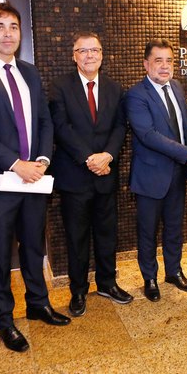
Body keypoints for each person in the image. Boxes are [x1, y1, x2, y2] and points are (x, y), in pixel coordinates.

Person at [0, 1, 70, 353]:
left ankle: (38, 304)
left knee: (34, 246)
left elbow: (44, 121)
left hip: (35, 177)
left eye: (14, 27)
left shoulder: (30, 72)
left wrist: (43, 159)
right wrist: (16, 163)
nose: (8, 34)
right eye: (0, 27)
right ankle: (4, 320)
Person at [49, 31, 133, 316]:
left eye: (94, 50)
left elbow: (120, 126)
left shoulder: (114, 88)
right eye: (83, 51)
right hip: (74, 177)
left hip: (106, 174)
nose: (89, 55)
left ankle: (107, 284)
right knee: (77, 238)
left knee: (107, 234)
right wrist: (89, 158)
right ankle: (78, 290)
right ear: (74, 56)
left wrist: (107, 155)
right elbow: (61, 128)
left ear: (102, 54)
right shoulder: (60, 87)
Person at [125, 38, 187, 302]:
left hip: (177, 174)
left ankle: (174, 272)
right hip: (150, 176)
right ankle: (149, 278)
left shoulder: (176, 86)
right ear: (146, 64)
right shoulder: (136, 95)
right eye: (158, 60)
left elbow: (177, 124)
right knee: (148, 231)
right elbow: (148, 135)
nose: (165, 66)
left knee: (174, 228)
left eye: (169, 61)